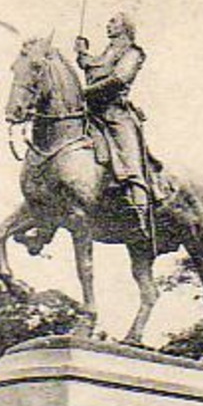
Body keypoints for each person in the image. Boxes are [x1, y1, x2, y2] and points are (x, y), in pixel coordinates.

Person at [74, 12, 155, 239]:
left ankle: (139, 213)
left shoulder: (133, 52)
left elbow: (118, 79)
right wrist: (82, 53)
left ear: (126, 27)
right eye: (108, 21)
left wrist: (84, 92)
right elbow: (94, 67)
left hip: (116, 114)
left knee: (129, 160)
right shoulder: (107, 52)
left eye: (113, 22)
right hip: (91, 114)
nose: (108, 25)